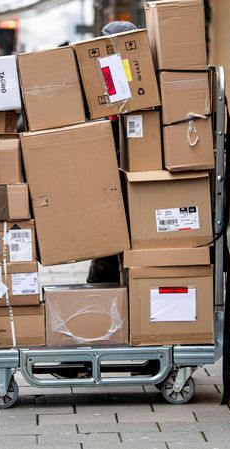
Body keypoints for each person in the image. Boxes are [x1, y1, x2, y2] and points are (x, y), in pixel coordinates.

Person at [86, 20, 139, 284]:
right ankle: (106, 281)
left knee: (122, 229)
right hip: (111, 163)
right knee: (111, 231)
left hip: (128, 163)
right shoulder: (101, 72)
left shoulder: (134, 72)